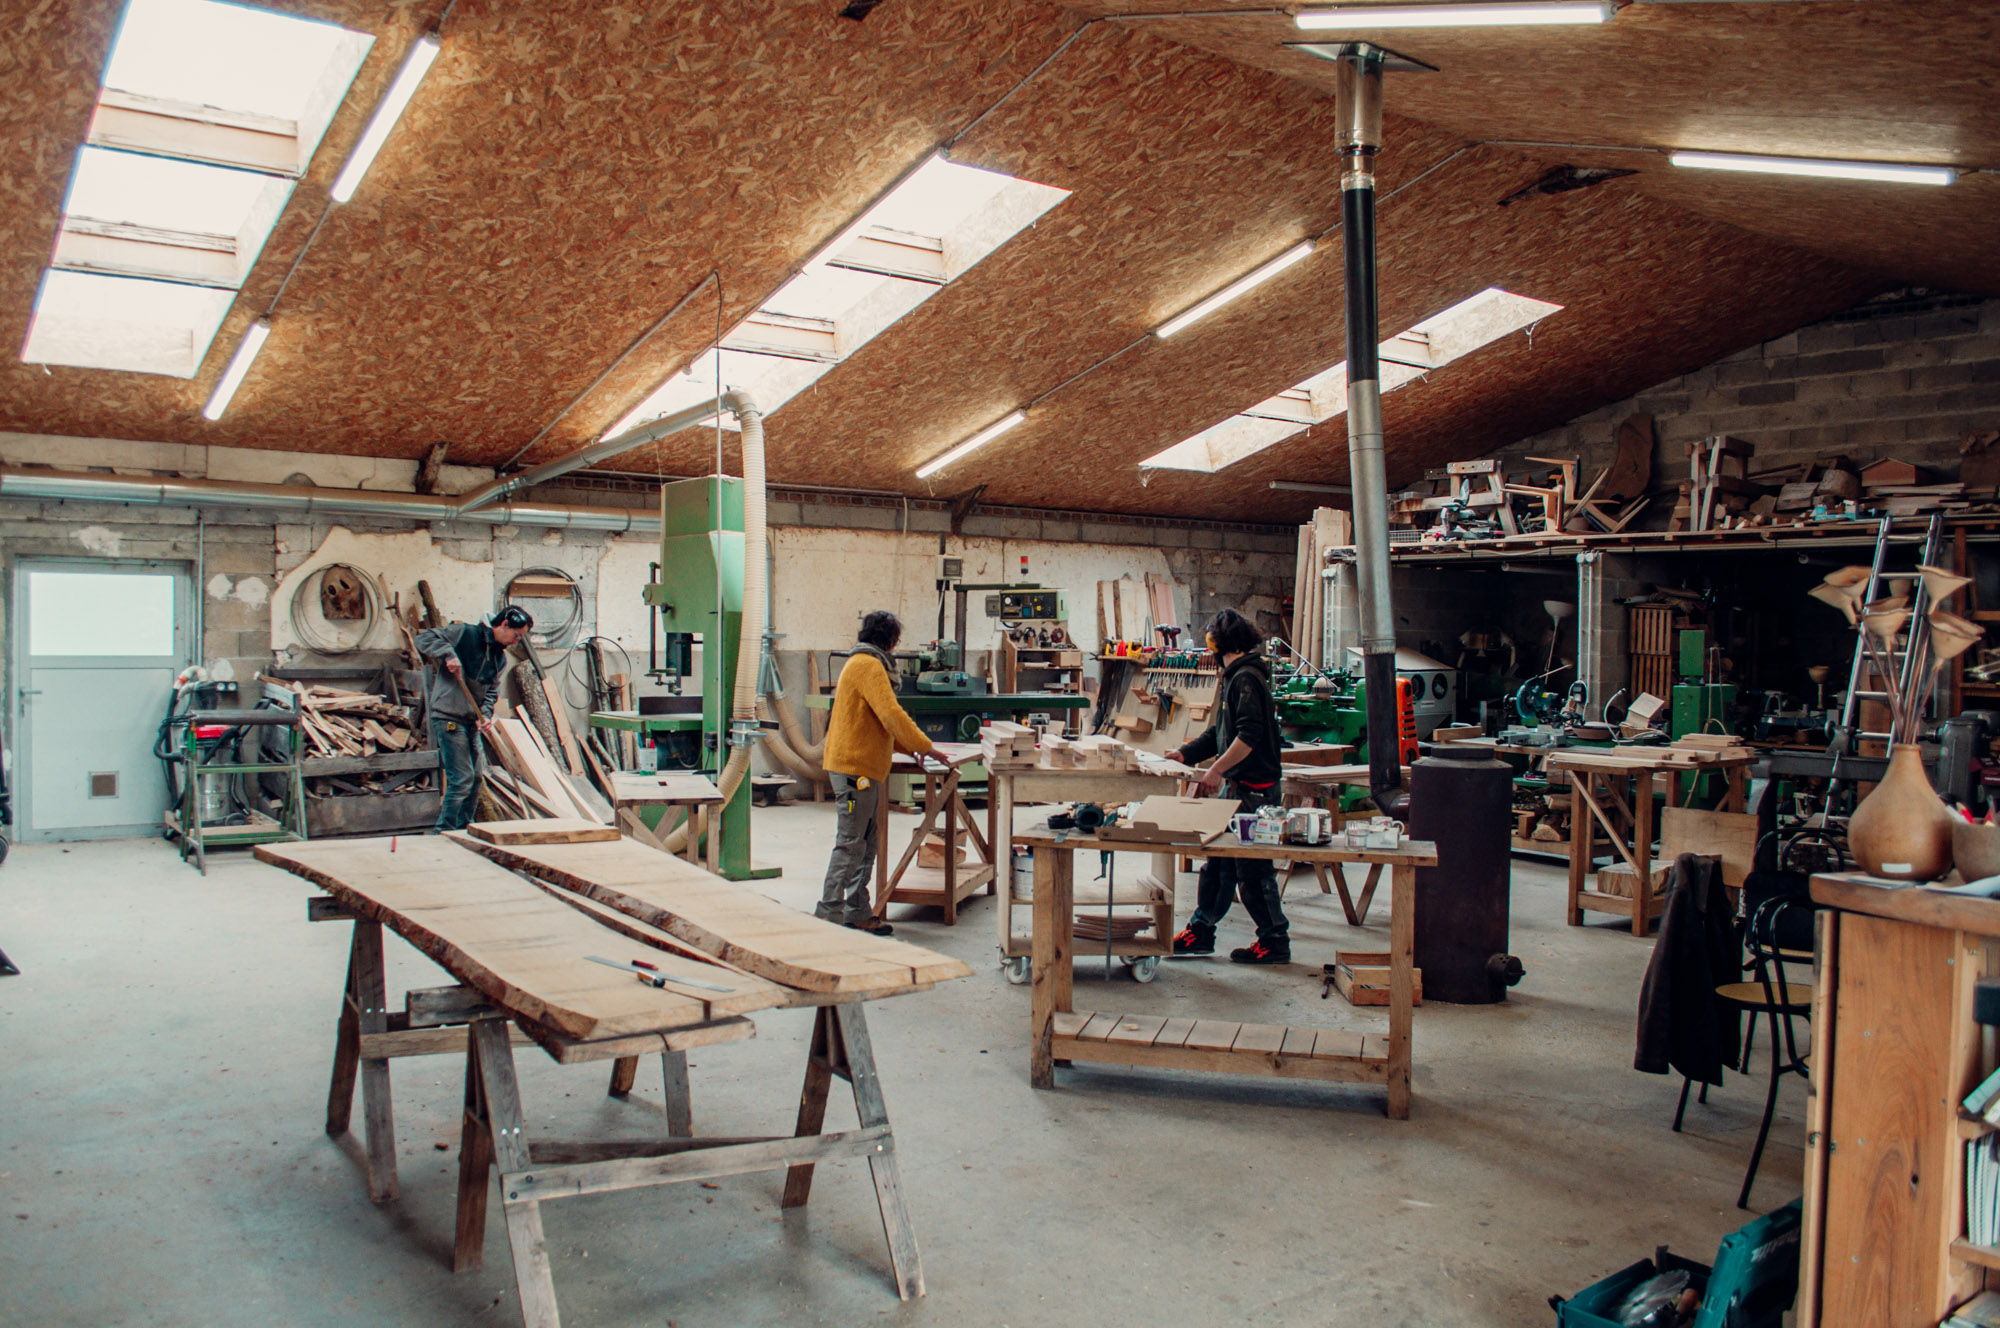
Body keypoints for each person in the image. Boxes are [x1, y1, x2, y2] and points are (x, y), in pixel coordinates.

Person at [1164, 608, 1290, 964]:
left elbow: (1247, 738)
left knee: (1252, 869)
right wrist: (1184, 755)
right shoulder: (1236, 677)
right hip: (1239, 789)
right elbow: (1220, 735)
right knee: (1217, 864)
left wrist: (1215, 771)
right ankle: (1201, 932)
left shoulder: (1246, 678)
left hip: (1255, 792)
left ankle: (1275, 941)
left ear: (1216, 645)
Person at [819, 610, 941, 936]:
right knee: (851, 844)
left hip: (860, 768)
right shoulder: (869, 666)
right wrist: (925, 745)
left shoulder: (860, 663)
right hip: (854, 773)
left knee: (866, 842)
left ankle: (856, 910)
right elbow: (890, 713)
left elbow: (871, 724)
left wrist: (908, 749)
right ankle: (826, 919)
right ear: (890, 641)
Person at [416, 605, 533, 833]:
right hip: (449, 717)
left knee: (476, 779)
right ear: (504, 625)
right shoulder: (465, 634)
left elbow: (490, 693)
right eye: (516, 635)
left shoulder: (499, 660)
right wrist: (448, 654)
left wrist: (486, 715)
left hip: (470, 722)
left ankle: (464, 831)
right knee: (461, 779)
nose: (516, 641)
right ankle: (444, 833)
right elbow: (423, 638)